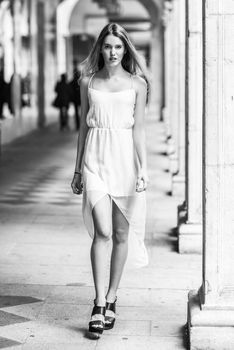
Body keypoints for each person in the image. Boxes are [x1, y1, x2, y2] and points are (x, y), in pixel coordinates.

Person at [71, 23, 149, 337]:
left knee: (120, 234)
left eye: (118, 47)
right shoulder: (87, 81)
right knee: (101, 230)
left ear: (125, 49)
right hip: (95, 159)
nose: (113, 52)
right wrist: (77, 169)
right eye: (107, 46)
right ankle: (99, 302)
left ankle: (113, 296)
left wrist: (143, 169)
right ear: (100, 49)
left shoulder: (138, 84)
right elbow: (83, 128)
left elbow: (139, 129)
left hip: (125, 161)